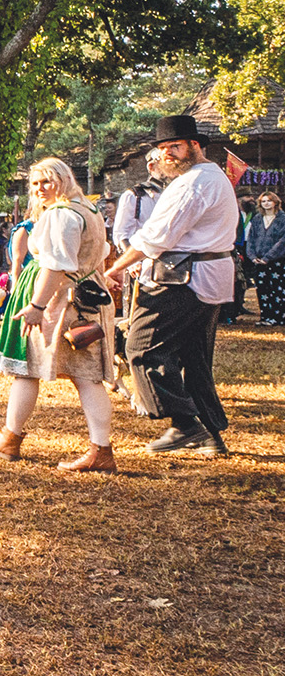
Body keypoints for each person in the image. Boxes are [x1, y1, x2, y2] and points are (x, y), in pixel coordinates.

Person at [102, 115, 239, 456]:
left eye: (175, 147)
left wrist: (114, 269)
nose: (168, 155)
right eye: (163, 149)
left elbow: (155, 238)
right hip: (204, 277)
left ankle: (185, 425)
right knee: (193, 357)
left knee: (142, 348)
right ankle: (209, 434)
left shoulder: (194, 182)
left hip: (184, 279)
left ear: (195, 145)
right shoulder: (209, 177)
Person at [0, 158, 117, 472]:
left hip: (61, 300)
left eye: (47, 181)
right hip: (85, 296)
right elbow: (97, 254)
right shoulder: (88, 210)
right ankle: (98, 449)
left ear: (64, 179)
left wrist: (37, 307)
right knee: (84, 377)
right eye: (35, 184)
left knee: (35, 371)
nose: (40, 189)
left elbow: (56, 265)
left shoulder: (62, 214)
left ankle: (13, 439)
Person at [111, 148, 168, 251]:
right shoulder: (134, 196)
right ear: (151, 167)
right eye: (164, 164)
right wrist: (134, 264)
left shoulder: (177, 193)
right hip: (142, 260)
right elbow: (122, 235)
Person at [245, 190, 285, 325]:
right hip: (258, 260)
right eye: (263, 201)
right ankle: (265, 316)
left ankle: (277, 317)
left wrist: (268, 257)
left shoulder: (282, 218)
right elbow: (250, 239)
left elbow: (282, 242)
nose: (266, 203)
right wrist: (252, 256)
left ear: (275, 202)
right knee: (262, 288)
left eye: (269, 200)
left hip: (277, 260)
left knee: (277, 288)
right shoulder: (257, 219)